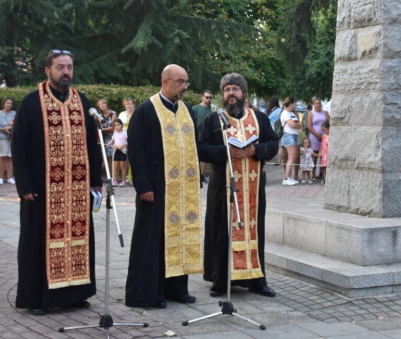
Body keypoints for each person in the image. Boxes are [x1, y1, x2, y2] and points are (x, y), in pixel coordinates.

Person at [12, 50, 103, 315]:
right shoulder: (31, 103)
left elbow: (92, 143)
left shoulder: (82, 102)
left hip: (76, 189)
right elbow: (19, 146)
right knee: (38, 242)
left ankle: (75, 294)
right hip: (41, 190)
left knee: (77, 240)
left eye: (70, 67)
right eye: (60, 67)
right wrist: (25, 185)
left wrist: (96, 179)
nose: (66, 72)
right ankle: (37, 298)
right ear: (47, 70)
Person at [124, 64, 202, 308]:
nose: (184, 87)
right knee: (152, 241)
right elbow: (136, 152)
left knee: (179, 237)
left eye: (186, 82)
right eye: (180, 82)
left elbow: (193, 148)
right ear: (165, 81)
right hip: (155, 190)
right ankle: (149, 292)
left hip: (181, 191)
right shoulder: (146, 111)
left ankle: (177, 289)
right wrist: (143, 186)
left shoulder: (187, 110)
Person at [198, 73, 280, 298]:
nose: (231, 93)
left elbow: (273, 143)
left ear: (243, 92)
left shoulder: (259, 118)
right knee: (221, 232)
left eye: (235, 89)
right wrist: (226, 151)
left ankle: (256, 280)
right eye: (226, 89)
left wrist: (255, 150)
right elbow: (202, 148)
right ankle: (220, 280)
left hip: (253, 189)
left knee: (254, 232)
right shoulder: (213, 120)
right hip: (222, 186)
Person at [279, 97, 302, 186]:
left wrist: (297, 125)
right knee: (291, 157)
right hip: (289, 135)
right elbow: (293, 124)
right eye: (294, 104)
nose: (295, 105)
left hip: (294, 135)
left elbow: (299, 124)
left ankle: (289, 176)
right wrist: (297, 125)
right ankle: (286, 177)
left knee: (294, 156)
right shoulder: (285, 113)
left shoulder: (291, 113)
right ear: (291, 103)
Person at [307, 97, 330, 180]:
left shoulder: (325, 113)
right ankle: (313, 174)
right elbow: (309, 126)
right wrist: (317, 135)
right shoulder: (311, 114)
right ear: (314, 104)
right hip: (314, 136)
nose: (318, 105)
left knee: (324, 155)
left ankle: (323, 173)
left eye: (319, 103)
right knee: (314, 155)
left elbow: (329, 123)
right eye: (316, 104)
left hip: (326, 137)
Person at [0, 97, 16, 185]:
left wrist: (9, 128)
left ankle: (10, 177)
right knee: (2, 157)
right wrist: (3, 129)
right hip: (1, 137)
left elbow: (17, 123)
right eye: (7, 103)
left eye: (11, 103)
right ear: (4, 104)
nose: (9, 105)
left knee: (10, 157)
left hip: (11, 137)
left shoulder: (14, 113)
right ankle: (0, 178)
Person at [96, 98, 116, 163]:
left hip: (113, 137)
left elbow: (113, 128)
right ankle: (108, 172)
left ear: (107, 104)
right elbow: (100, 129)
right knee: (105, 157)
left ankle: (112, 172)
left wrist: (104, 129)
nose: (102, 105)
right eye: (100, 104)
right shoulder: (99, 116)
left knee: (111, 156)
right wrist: (108, 129)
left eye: (104, 103)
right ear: (98, 106)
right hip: (103, 137)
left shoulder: (113, 113)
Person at [109, 119, 128, 186]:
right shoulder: (115, 132)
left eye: (118, 125)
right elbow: (113, 139)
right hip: (116, 151)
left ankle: (123, 181)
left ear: (121, 125)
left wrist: (122, 146)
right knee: (115, 167)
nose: (116, 127)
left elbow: (128, 142)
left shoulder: (125, 133)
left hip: (122, 151)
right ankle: (115, 181)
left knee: (122, 167)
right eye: (115, 125)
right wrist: (111, 143)